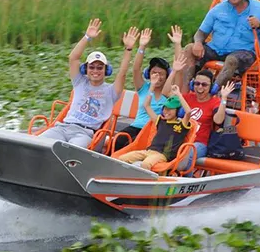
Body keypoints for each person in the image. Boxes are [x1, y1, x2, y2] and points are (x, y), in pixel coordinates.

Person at [39, 18, 139, 148]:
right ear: (86, 69)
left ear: (106, 70)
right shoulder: (80, 82)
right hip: (62, 128)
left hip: (84, 133)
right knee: (37, 142)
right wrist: (87, 37)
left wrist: (128, 49)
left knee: (71, 150)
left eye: (99, 67)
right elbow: (73, 58)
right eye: (92, 67)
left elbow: (122, 73)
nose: (95, 71)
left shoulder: (111, 91)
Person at [181, 0, 260, 89]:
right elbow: (201, 32)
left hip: (245, 52)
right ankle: (184, 92)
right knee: (189, 48)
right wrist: (198, 42)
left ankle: (213, 91)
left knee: (232, 59)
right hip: (216, 49)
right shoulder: (218, 9)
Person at [112, 26, 184, 151]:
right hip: (136, 126)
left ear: (167, 76)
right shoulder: (144, 88)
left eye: (161, 74)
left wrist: (177, 44)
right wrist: (142, 46)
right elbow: (136, 69)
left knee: (132, 145)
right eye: (154, 73)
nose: (157, 76)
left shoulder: (169, 92)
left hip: (154, 130)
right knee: (117, 141)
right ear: (148, 74)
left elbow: (179, 72)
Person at [117, 85, 194, 171]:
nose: (166, 111)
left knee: (146, 164)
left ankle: (143, 182)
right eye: (165, 108)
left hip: (162, 155)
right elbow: (146, 105)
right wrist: (152, 86)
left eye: (170, 109)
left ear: (178, 111)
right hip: (148, 151)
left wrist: (178, 94)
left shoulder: (181, 125)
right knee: (121, 159)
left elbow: (188, 112)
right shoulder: (160, 121)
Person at [181, 65, 223, 160]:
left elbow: (219, 120)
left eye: (204, 85)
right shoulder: (188, 98)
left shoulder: (215, 102)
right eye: (197, 84)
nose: (200, 87)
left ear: (211, 87)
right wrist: (175, 71)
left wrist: (224, 98)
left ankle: (179, 174)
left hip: (200, 143)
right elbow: (166, 92)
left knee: (186, 154)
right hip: (182, 140)